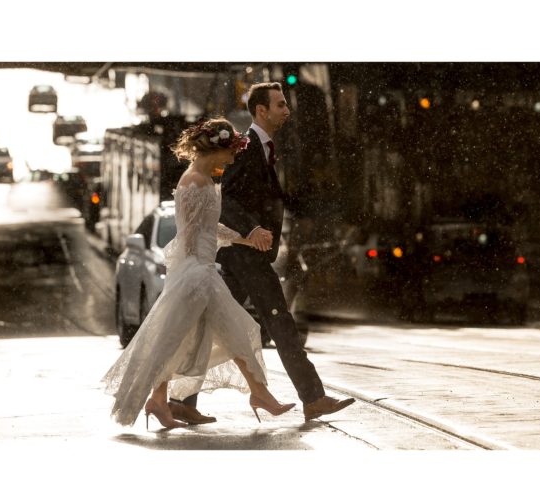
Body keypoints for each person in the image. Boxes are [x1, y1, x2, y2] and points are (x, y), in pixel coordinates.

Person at [103, 118, 296, 429]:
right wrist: (196, 273)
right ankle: (257, 395)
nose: (233, 159)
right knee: (221, 333)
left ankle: (164, 399)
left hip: (201, 271)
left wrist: (246, 238)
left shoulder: (204, 180)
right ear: (216, 150)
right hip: (197, 274)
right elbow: (189, 235)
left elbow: (210, 228)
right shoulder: (195, 182)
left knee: (182, 338)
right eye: (231, 152)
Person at [200, 81, 354, 423]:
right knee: (280, 322)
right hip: (245, 254)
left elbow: (266, 198)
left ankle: (181, 398)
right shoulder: (247, 146)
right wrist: (252, 229)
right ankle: (312, 397)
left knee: (214, 326)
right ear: (261, 111)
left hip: (247, 256)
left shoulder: (265, 147)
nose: (287, 110)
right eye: (281, 105)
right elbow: (229, 199)